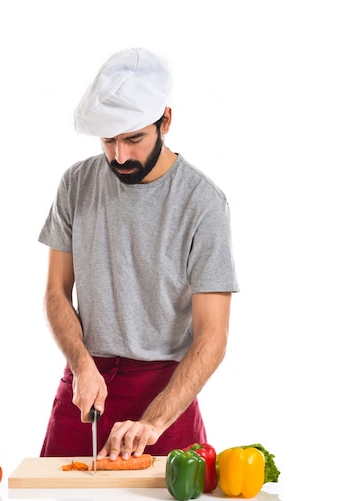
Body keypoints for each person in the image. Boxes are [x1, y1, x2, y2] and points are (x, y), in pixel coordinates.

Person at [38, 47, 239, 462]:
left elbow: (212, 337)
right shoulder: (76, 184)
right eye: (109, 140)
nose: (120, 156)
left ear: (165, 120)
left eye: (134, 138)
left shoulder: (203, 203)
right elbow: (57, 290)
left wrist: (153, 422)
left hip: (166, 392)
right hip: (86, 385)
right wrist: (81, 363)